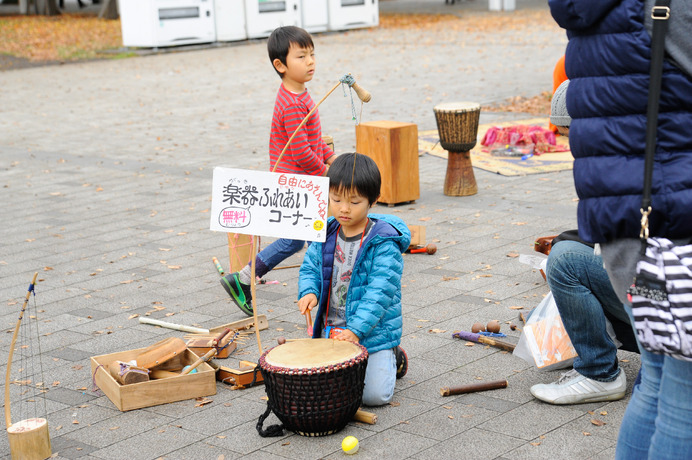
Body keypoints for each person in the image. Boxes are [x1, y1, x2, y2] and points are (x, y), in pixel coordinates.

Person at [549, 0, 692, 457]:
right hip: (678, 219)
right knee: (683, 397)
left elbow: (576, 103)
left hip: (625, 226)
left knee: (657, 380)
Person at [530, 81, 638, 405]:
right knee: (569, 249)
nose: (569, 145)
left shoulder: (617, 165)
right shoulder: (629, 146)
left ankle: (599, 372)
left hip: (662, 293)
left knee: (564, 261)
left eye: (568, 134)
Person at [221, 26, 336, 315]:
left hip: (300, 179)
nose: (310, 61)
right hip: (295, 183)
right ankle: (319, 294)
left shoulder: (300, 94)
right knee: (309, 239)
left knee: (302, 239)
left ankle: (245, 279)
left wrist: (330, 156)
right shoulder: (293, 103)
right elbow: (300, 152)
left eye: (312, 54)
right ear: (280, 65)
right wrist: (324, 171)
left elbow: (312, 140)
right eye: (301, 56)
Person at [297, 153, 411, 406]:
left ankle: (394, 356)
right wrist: (309, 291)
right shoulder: (326, 231)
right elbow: (310, 268)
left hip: (372, 332)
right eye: (336, 199)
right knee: (319, 389)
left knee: (373, 397)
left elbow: (379, 294)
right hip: (332, 330)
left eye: (354, 201)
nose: (344, 208)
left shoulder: (383, 242)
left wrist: (356, 331)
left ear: (373, 200)